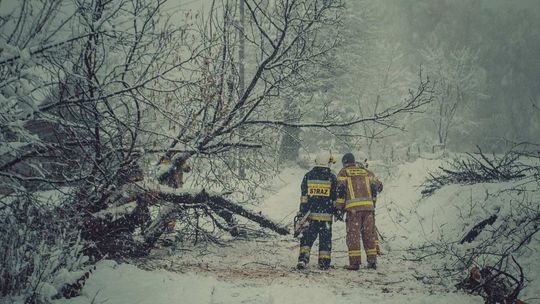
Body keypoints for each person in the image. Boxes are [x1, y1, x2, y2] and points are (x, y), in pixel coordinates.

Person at [335, 152, 383, 270]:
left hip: (353, 210)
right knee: (369, 235)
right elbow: (379, 186)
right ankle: (372, 261)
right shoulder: (366, 172)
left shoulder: (343, 172)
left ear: (344, 162)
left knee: (353, 236)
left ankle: (355, 263)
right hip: (368, 209)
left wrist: (339, 208)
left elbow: (340, 191)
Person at [296, 151, 338, 270]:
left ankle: (303, 259)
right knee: (325, 240)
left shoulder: (308, 176)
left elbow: (304, 198)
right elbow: (335, 198)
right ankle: (324, 263)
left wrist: (302, 213)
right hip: (326, 217)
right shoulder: (331, 177)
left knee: (307, 238)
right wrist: (336, 211)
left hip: (310, 216)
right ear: (327, 162)